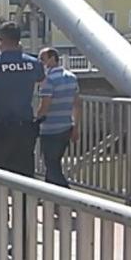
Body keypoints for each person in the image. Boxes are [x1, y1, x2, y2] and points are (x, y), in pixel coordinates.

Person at [0, 23, 45, 176]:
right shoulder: (34, 64)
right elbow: (45, 86)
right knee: (25, 179)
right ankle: (24, 200)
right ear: (19, 40)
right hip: (25, 128)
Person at [36, 47, 80, 187]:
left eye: (42, 59)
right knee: (54, 163)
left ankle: (66, 195)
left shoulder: (48, 80)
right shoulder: (72, 77)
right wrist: (76, 126)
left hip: (50, 129)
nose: (40, 63)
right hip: (66, 127)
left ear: (52, 58)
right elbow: (77, 104)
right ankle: (51, 197)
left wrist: (35, 122)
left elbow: (45, 106)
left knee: (51, 165)